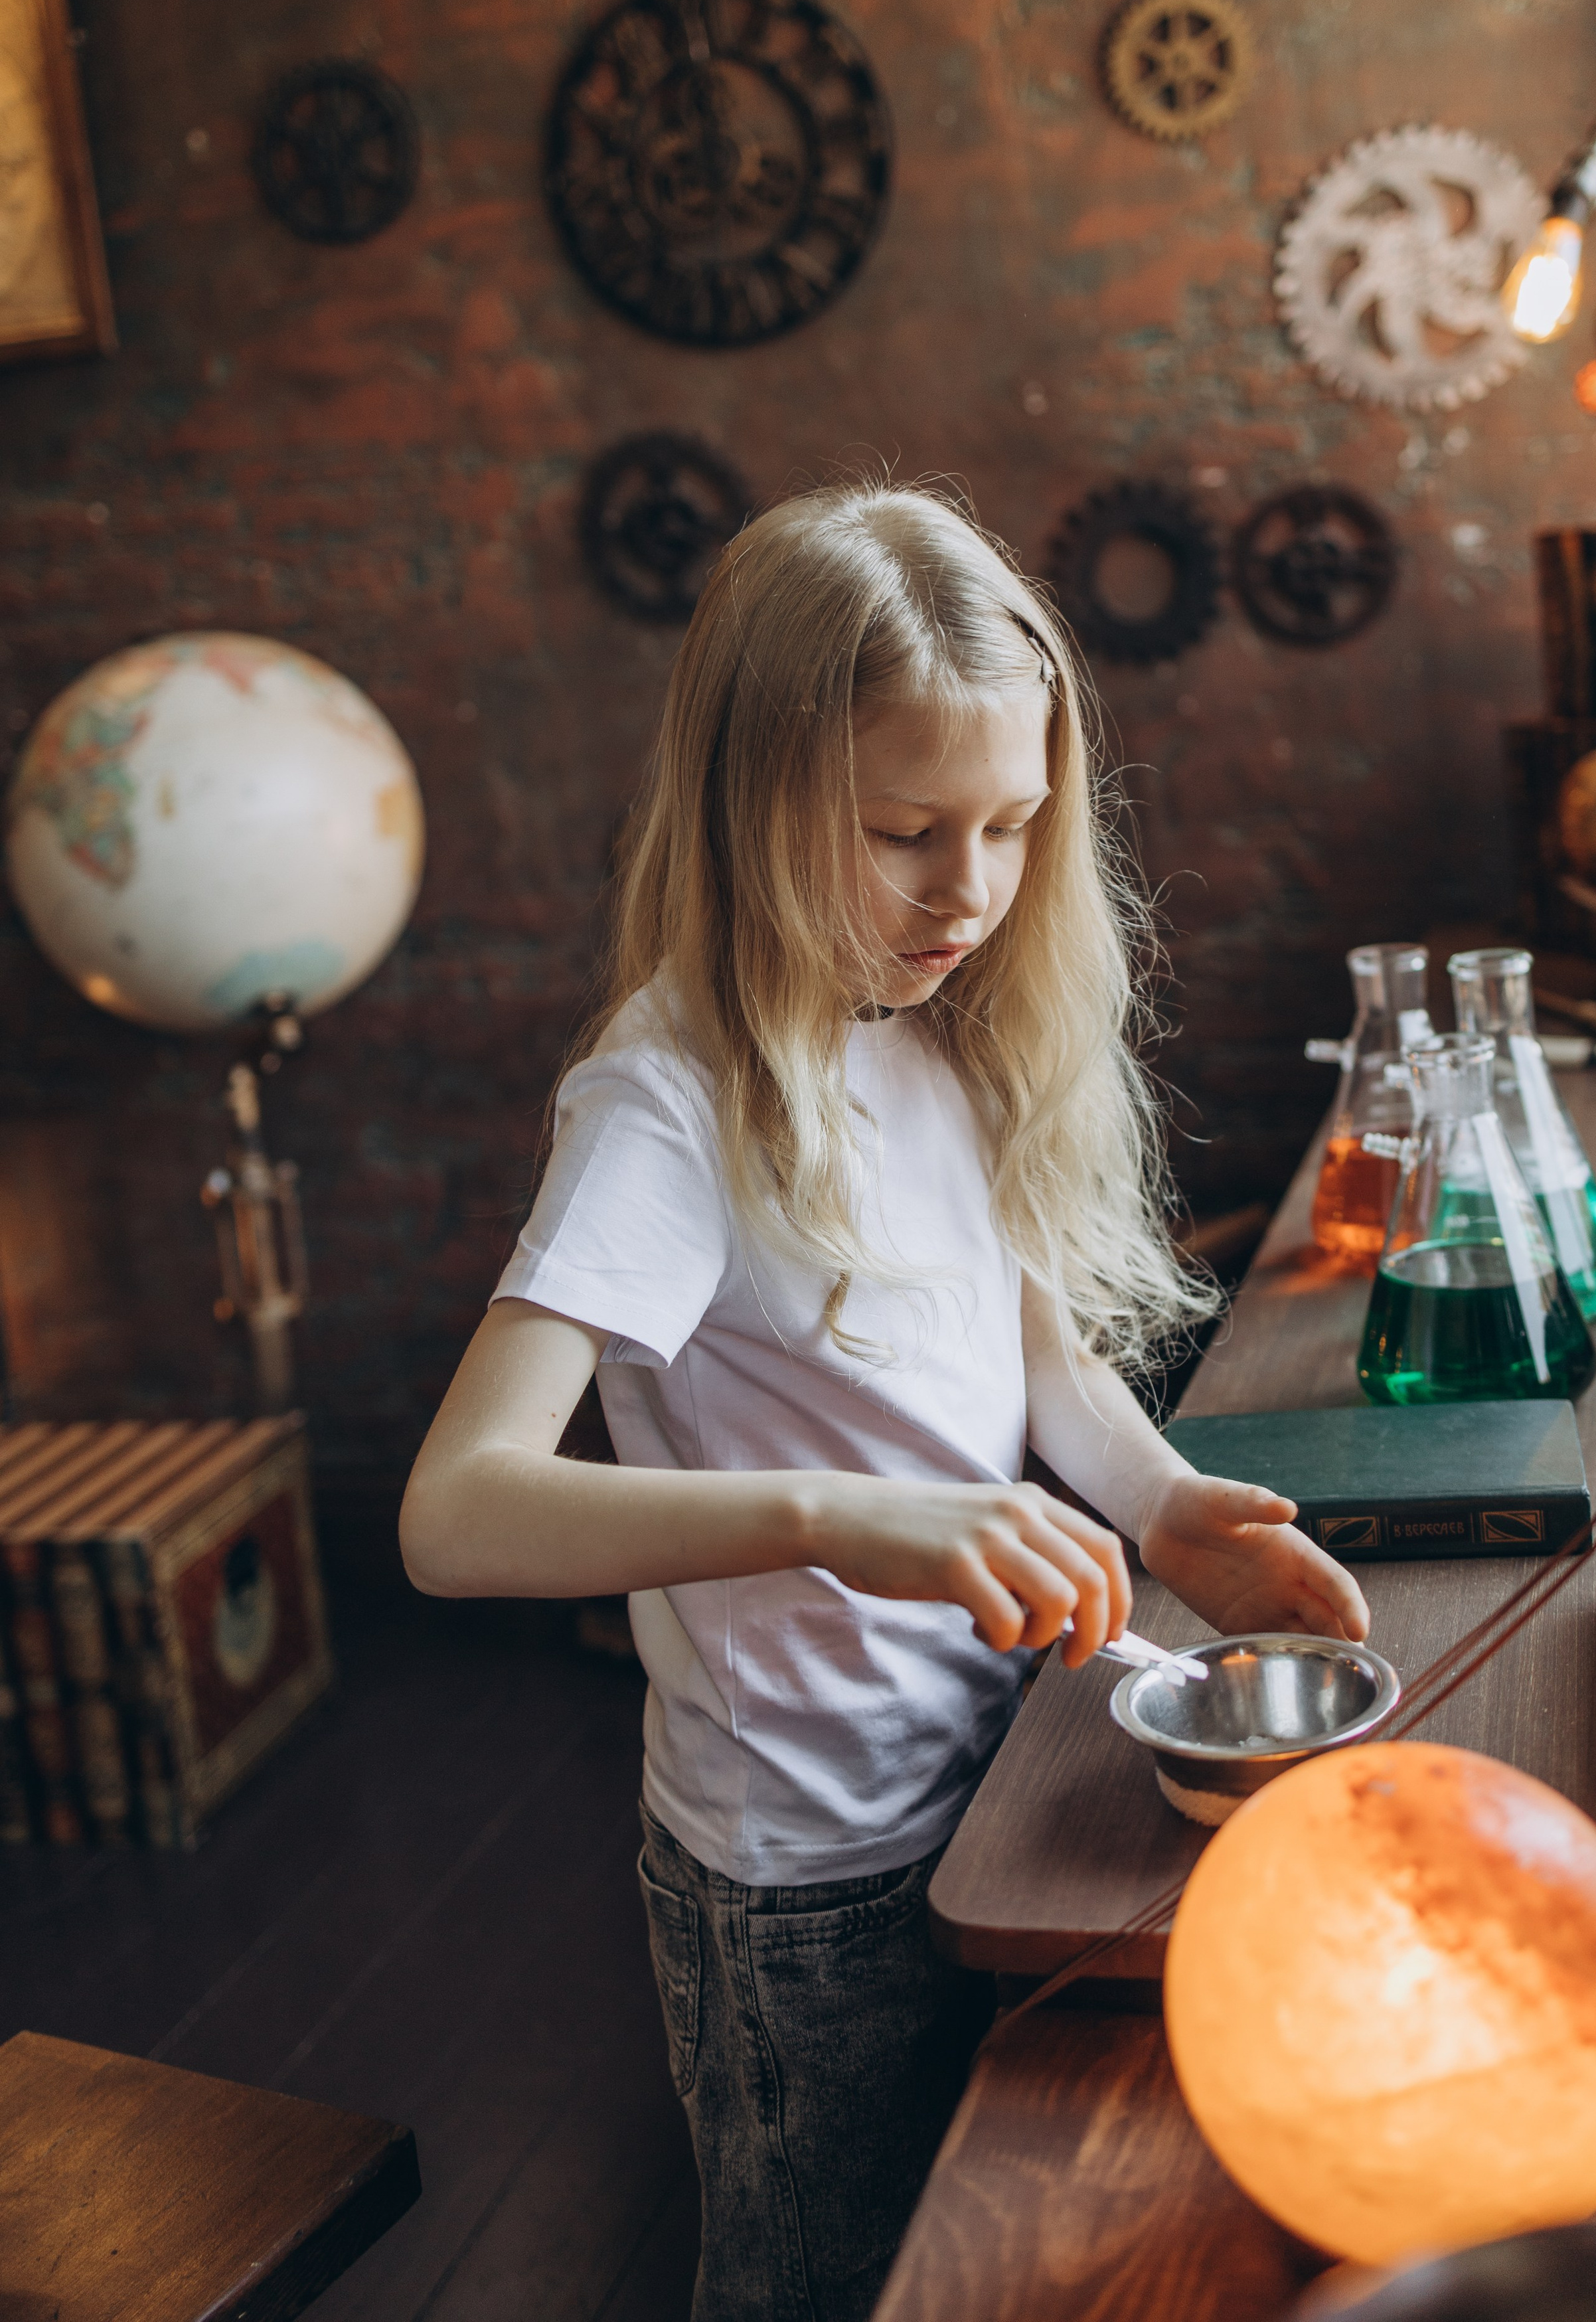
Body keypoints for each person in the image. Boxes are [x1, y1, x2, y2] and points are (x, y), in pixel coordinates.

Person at [398, 481, 1370, 2322]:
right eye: (907, 831)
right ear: (751, 803)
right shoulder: (668, 1106)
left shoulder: (927, 1026)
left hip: (993, 1768)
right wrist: (839, 1515)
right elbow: (456, 1511)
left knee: (988, 2250)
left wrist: (1163, 1506)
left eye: (1013, 827)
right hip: (806, 1875)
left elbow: (1017, 1346)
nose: (972, 890)